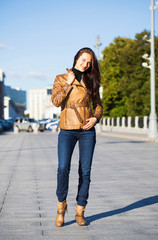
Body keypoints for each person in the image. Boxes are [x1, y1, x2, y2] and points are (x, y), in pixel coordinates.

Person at [51, 47, 103, 227]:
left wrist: (95, 118)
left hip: (87, 131)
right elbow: (56, 101)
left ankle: (80, 210)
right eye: (83, 60)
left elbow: (98, 105)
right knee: (63, 168)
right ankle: (60, 207)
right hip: (67, 129)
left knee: (85, 172)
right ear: (76, 58)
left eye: (89, 62)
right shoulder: (61, 78)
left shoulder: (92, 80)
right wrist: (68, 83)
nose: (85, 64)